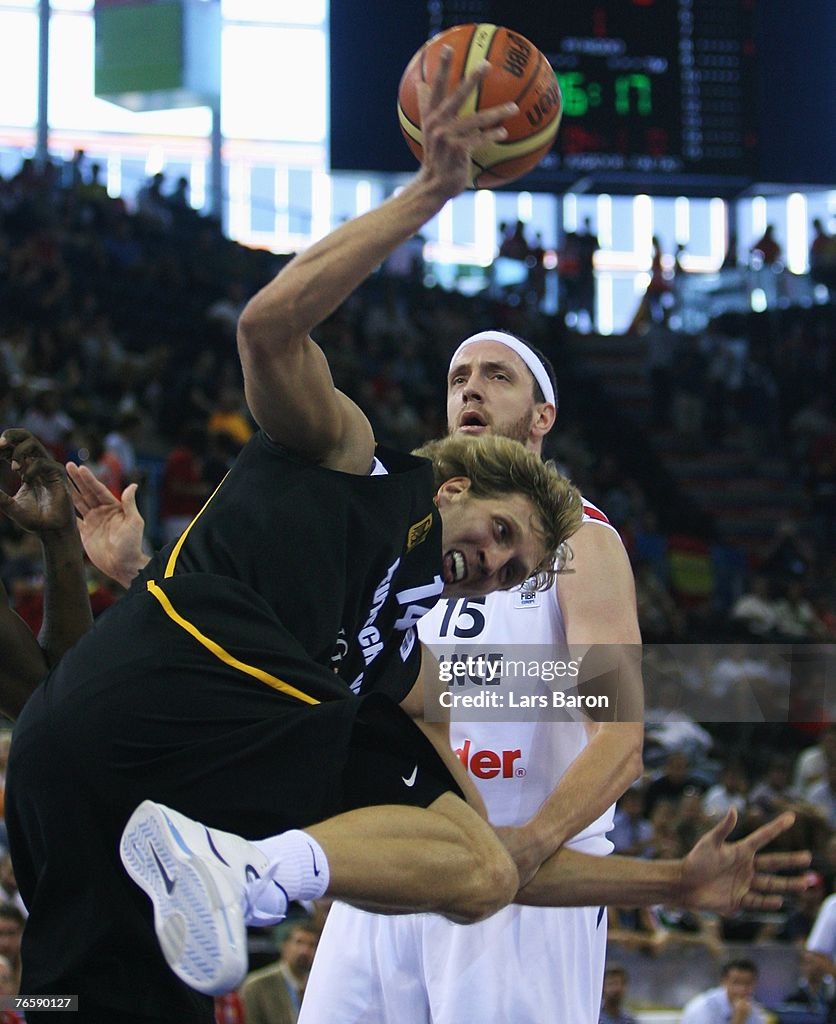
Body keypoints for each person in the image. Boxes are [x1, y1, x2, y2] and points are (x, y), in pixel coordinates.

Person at [2, 56, 582, 1024]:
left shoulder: (391, 646)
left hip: (98, 758)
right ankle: (246, 862)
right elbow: (269, 327)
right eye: (498, 540)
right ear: (454, 483)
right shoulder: (353, 459)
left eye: (510, 574)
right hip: (169, 721)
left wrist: (674, 884)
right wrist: (430, 192)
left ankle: (243, 865)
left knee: (474, 870)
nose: (489, 571)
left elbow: (502, 860)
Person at [72, 336, 809, 1024]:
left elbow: (620, 740)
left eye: (497, 376)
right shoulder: (410, 529)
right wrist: (143, 573)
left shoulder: (581, 542)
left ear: (543, 415)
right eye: (459, 378)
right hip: (400, 862)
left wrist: (526, 846)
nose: (472, 390)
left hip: (530, 884)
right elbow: (283, 646)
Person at [239, 919, 319, 1024]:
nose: (304, 951)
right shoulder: (256, 987)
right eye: (299, 942)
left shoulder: (320, 986)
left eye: (311, 945)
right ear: (285, 946)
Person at [680, 958, 767, 1024]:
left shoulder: (753, 1008)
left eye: (747, 984)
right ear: (724, 982)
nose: (742, 989)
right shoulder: (704, 1008)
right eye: (736, 983)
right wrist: (738, 1020)